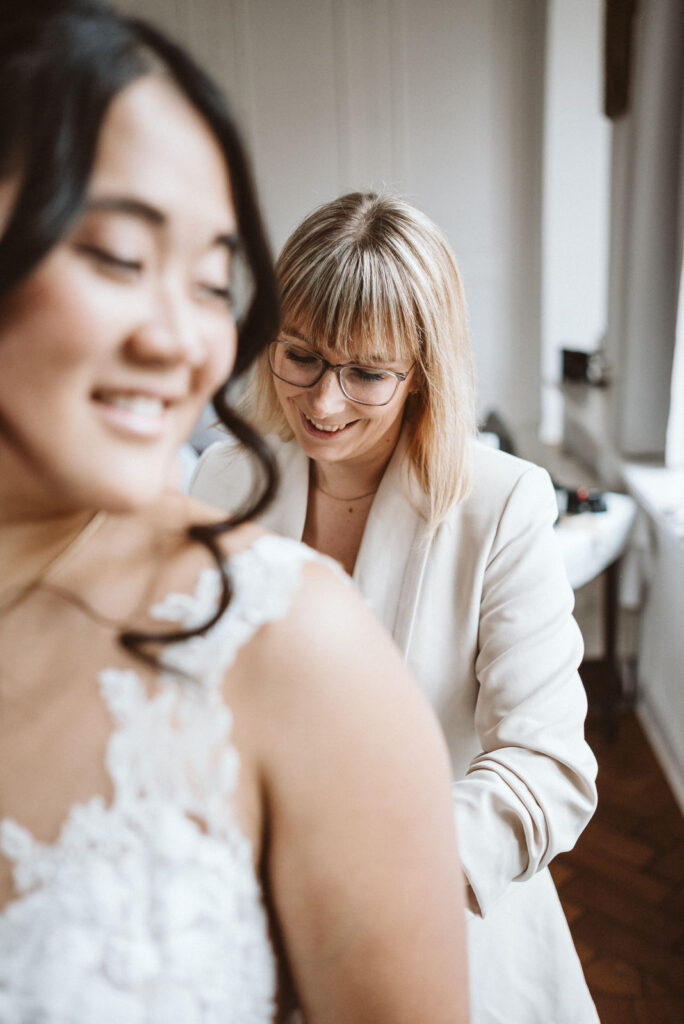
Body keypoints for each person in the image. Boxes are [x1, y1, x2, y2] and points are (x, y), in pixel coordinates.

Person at [0, 7, 470, 1022]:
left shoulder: (291, 633)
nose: (183, 341)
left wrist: (414, 853)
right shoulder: (224, 479)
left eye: (213, 281)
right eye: (122, 258)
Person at [192, 191, 601, 1023]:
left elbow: (547, 764)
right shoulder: (223, 481)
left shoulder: (503, 503)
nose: (324, 401)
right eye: (300, 355)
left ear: (424, 371)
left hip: (439, 921)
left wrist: (360, 867)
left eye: (367, 373)